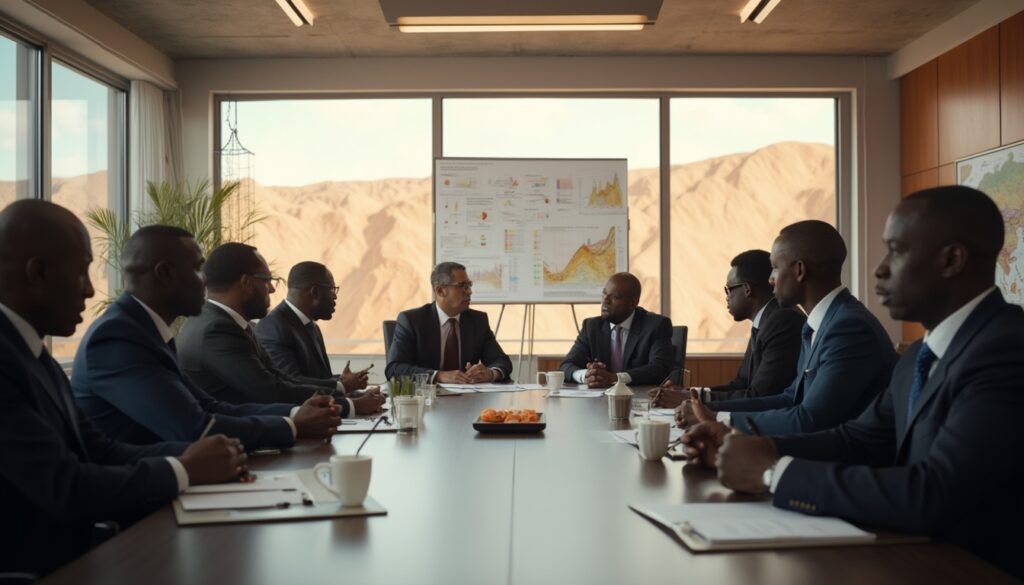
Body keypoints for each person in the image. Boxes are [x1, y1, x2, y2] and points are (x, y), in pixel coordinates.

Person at [684, 186, 1024, 579]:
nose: (879, 269)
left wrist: (772, 472)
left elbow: (936, 493)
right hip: (911, 555)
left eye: (896, 251)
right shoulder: (918, 355)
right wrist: (751, 446)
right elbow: (857, 439)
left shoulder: (1005, 351)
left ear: (951, 260)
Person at [0, 201, 245, 577]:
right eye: (82, 271)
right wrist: (185, 469)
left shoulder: (33, 355)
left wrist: (208, 457)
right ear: (39, 272)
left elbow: (100, 449)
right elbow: (67, 487)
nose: (89, 290)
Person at [72, 227, 343, 447]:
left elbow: (209, 406)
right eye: (198, 269)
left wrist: (295, 415)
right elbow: (192, 427)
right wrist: (294, 425)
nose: (206, 282)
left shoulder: (146, 330)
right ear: (165, 273)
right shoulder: (118, 337)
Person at [676, 220, 896, 435]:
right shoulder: (818, 324)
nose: (770, 280)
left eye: (774, 268)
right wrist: (710, 411)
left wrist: (718, 420)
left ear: (799, 270)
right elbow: (790, 398)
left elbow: (810, 420)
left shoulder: (849, 328)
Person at [176, 242, 384, 413]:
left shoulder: (236, 324)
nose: (272, 288)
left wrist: (344, 392)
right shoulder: (217, 329)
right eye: (267, 280)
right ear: (246, 283)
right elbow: (269, 391)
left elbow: (279, 378)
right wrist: (349, 405)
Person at [651, 250, 804, 407]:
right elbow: (741, 384)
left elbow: (760, 395)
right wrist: (691, 393)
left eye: (729, 289)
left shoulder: (782, 321)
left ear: (747, 289)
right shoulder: (765, 320)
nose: (726, 297)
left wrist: (693, 400)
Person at [385, 261, 512, 383]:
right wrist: (438, 375)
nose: (469, 292)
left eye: (469, 285)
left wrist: (490, 373)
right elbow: (394, 368)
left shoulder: (477, 321)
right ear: (440, 291)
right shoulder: (412, 321)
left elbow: (501, 361)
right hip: (425, 399)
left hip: (468, 399)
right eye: (462, 286)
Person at [255, 261, 368, 390]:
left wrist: (344, 381)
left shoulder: (312, 326)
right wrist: (343, 386)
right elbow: (291, 382)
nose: (335, 297)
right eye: (332, 289)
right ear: (315, 292)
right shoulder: (272, 328)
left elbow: (320, 379)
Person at [561, 272, 674, 387]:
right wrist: (587, 375)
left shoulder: (656, 325)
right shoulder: (591, 327)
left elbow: (660, 368)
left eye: (614, 297)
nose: (605, 300)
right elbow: (567, 365)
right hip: (598, 400)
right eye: (604, 294)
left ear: (633, 303)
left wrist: (615, 378)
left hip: (638, 399)